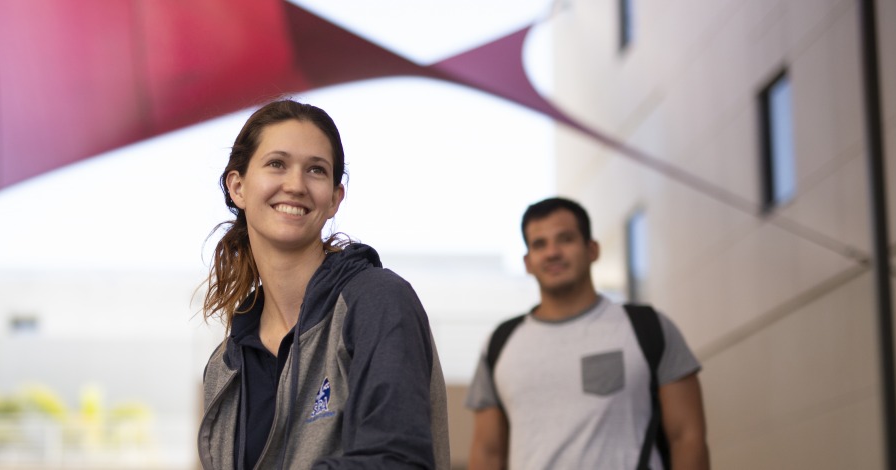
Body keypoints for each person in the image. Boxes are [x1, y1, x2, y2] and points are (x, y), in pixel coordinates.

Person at [197, 99, 450, 469]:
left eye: (316, 170)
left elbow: (397, 460)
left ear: (334, 198)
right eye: (276, 164)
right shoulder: (225, 366)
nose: (296, 185)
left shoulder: (377, 301)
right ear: (237, 187)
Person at [466, 197, 709, 470]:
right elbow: (488, 452)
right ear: (527, 262)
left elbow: (687, 437)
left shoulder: (649, 328)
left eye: (565, 239)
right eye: (539, 244)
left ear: (592, 249)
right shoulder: (500, 344)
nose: (552, 252)